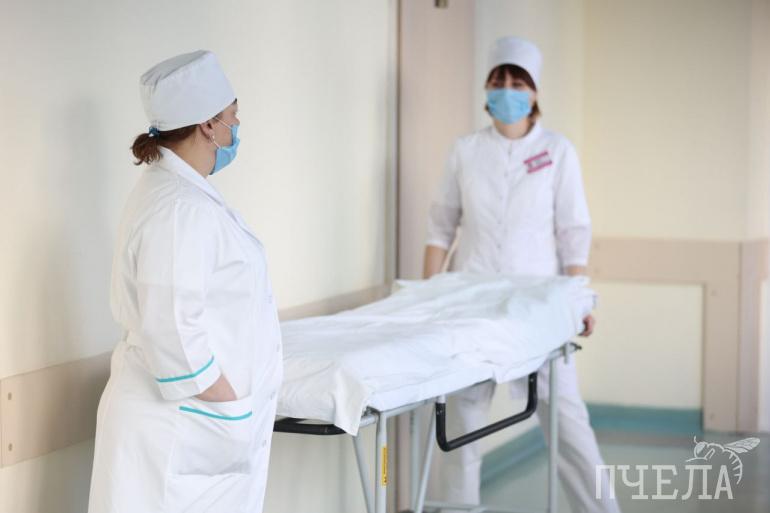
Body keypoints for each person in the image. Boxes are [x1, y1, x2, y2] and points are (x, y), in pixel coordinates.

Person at [424, 37, 620, 513]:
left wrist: (579, 298)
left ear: (534, 93)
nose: (507, 91)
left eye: (518, 83)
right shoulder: (466, 151)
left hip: (539, 305)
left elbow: (573, 232)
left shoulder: (557, 151)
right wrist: (427, 298)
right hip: (471, 304)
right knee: (461, 428)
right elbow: (440, 229)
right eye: (499, 82)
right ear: (486, 89)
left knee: (569, 423)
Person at [88, 50, 282, 513]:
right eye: (233, 115)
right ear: (208, 125)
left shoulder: (183, 195)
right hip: (180, 430)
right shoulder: (179, 209)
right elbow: (174, 331)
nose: (237, 126)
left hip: (191, 429)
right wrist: (229, 404)